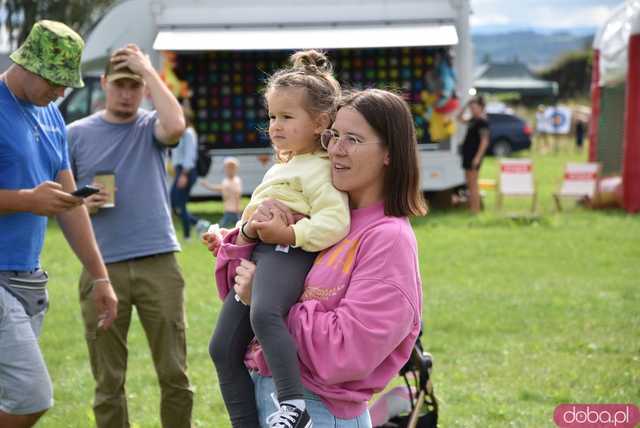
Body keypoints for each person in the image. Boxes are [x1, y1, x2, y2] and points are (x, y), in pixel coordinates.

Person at [204, 88, 427, 427]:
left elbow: (348, 352)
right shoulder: (317, 220)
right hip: (268, 405)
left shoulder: (387, 238)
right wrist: (247, 235)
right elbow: (242, 298)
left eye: (353, 139)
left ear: (389, 154)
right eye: (333, 135)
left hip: (321, 414)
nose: (335, 149)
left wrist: (267, 305)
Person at [207, 50, 350, 428]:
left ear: (320, 122)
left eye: (287, 117)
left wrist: (288, 232)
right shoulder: (282, 167)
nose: (275, 125)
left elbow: (335, 222)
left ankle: (293, 405)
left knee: (266, 314)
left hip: (288, 253)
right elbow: (255, 215)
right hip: (262, 252)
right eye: (272, 116)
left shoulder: (320, 170)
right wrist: (235, 234)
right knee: (221, 347)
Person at [66, 44, 193, 428]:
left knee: (175, 376)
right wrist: (81, 205)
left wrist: (148, 70)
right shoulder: (74, 134)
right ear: (104, 83)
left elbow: (176, 128)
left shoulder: (149, 125)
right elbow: (60, 198)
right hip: (102, 266)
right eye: (120, 84)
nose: (127, 93)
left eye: (134, 85)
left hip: (159, 261)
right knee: (108, 382)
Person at [0, 20, 118, 428]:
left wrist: (100, 278)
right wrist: (26, 201)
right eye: (56, 80)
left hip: (29, 281)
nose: (63, 92)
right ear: (29, 66)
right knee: (32, 397)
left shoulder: (51, 115)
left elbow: (70, 204)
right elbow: (36, 201)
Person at [170, 105, 202, 240]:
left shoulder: (189, 133)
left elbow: (189, 156)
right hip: (180, 170)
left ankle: (187, 235)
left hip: (186, 171)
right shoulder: (182, 133)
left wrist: (183, 174)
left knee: (179, 202)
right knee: (174, 201)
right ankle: (198, 223)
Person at [456, 95, 490, 214]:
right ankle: (471, 207)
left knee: (473, 183)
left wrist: (477, 158)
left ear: (481, 108)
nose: (472, 110)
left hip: (474, 157)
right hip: (467, 155)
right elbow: (459, 118)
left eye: (474, 107)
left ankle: (475, 209)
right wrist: (466, 105)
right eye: (471, 108)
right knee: (469, 183)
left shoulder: (482, 122)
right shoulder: (472, 120)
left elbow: (484, 142)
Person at [200, 156, 243, 228]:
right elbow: (219, 188)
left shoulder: (236, 181)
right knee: (231, 225)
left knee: (234, 226)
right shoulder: (226, 181)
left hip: (235, 210)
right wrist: (207, 186)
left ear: (236, 169)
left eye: (232, 168)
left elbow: (237, 195)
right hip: (228, 209)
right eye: (227, 168)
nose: (230, 170)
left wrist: (238, 208)